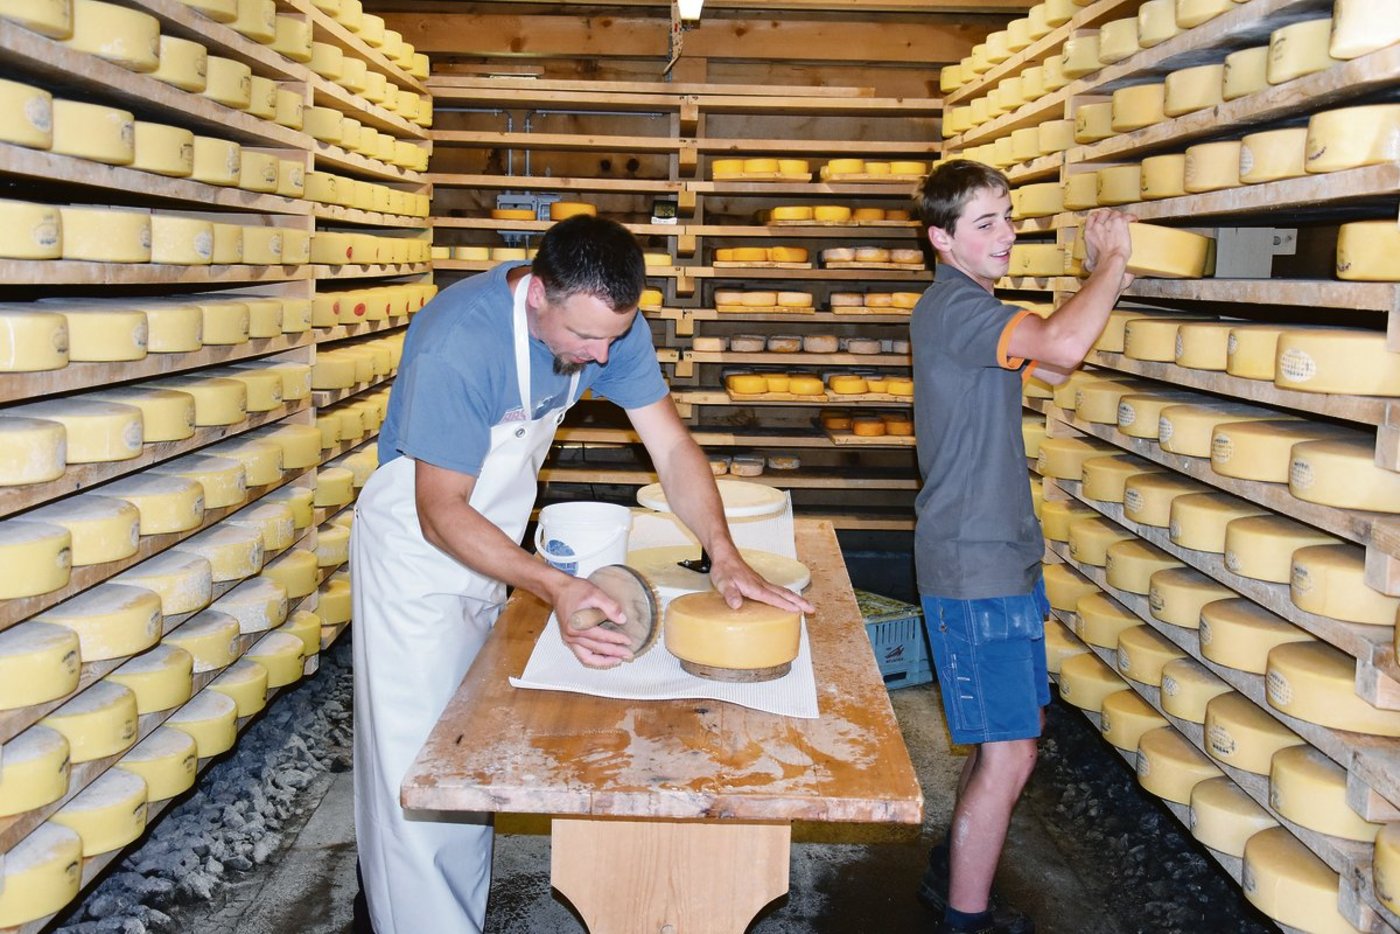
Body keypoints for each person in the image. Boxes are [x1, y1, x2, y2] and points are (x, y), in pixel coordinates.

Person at [349, 214, 813, 934]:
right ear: (537, 293)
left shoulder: (611, 327)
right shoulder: (459, 345)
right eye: (586, 338)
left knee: (467, 756)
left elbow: (671, 446)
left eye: (614, 337)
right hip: (416, 556)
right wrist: (556, 586)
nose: (601, 357)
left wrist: (724, 553)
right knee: (418, 772)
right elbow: (441, 512)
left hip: (489, 541)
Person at [909, 160, 1134, 934]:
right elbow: (1064, 348)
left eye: (1008, 218)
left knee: (1005, 739)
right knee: (1009, 754)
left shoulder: (971, 310)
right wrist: (1111, 262)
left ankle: (951, 876)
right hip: (975, 565)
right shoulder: (958, 310)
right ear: (942, 240)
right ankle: (964, 923)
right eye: (986, 225)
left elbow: (1043, 353)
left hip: (997, 555)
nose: (1007, 235)